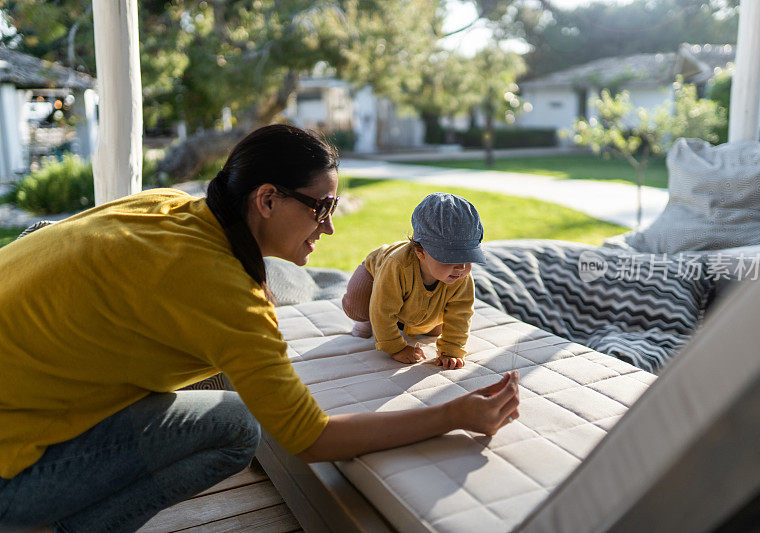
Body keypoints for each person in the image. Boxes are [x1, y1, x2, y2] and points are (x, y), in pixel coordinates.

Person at [0, 124, 519, 532]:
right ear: (267, 199)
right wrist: (453, 413)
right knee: (238, 427)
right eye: (322, 208)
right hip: (10, 473)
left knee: (222, 378)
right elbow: (309, 439)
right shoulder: (224, 293)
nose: (330, 227)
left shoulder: (167, 206)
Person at [342, 193, 484, 370]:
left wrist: (452, 350)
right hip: (375, 275)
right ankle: (366, 320)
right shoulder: (397, 266)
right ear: (420, 252)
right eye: (450, 258)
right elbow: (382, 309)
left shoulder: (460, 275)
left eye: (468, 257)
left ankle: (406, 321)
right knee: (359, 306)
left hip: (416, 301)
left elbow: (461, 313)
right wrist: (396, 348)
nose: (461, 267)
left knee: (434, 329)